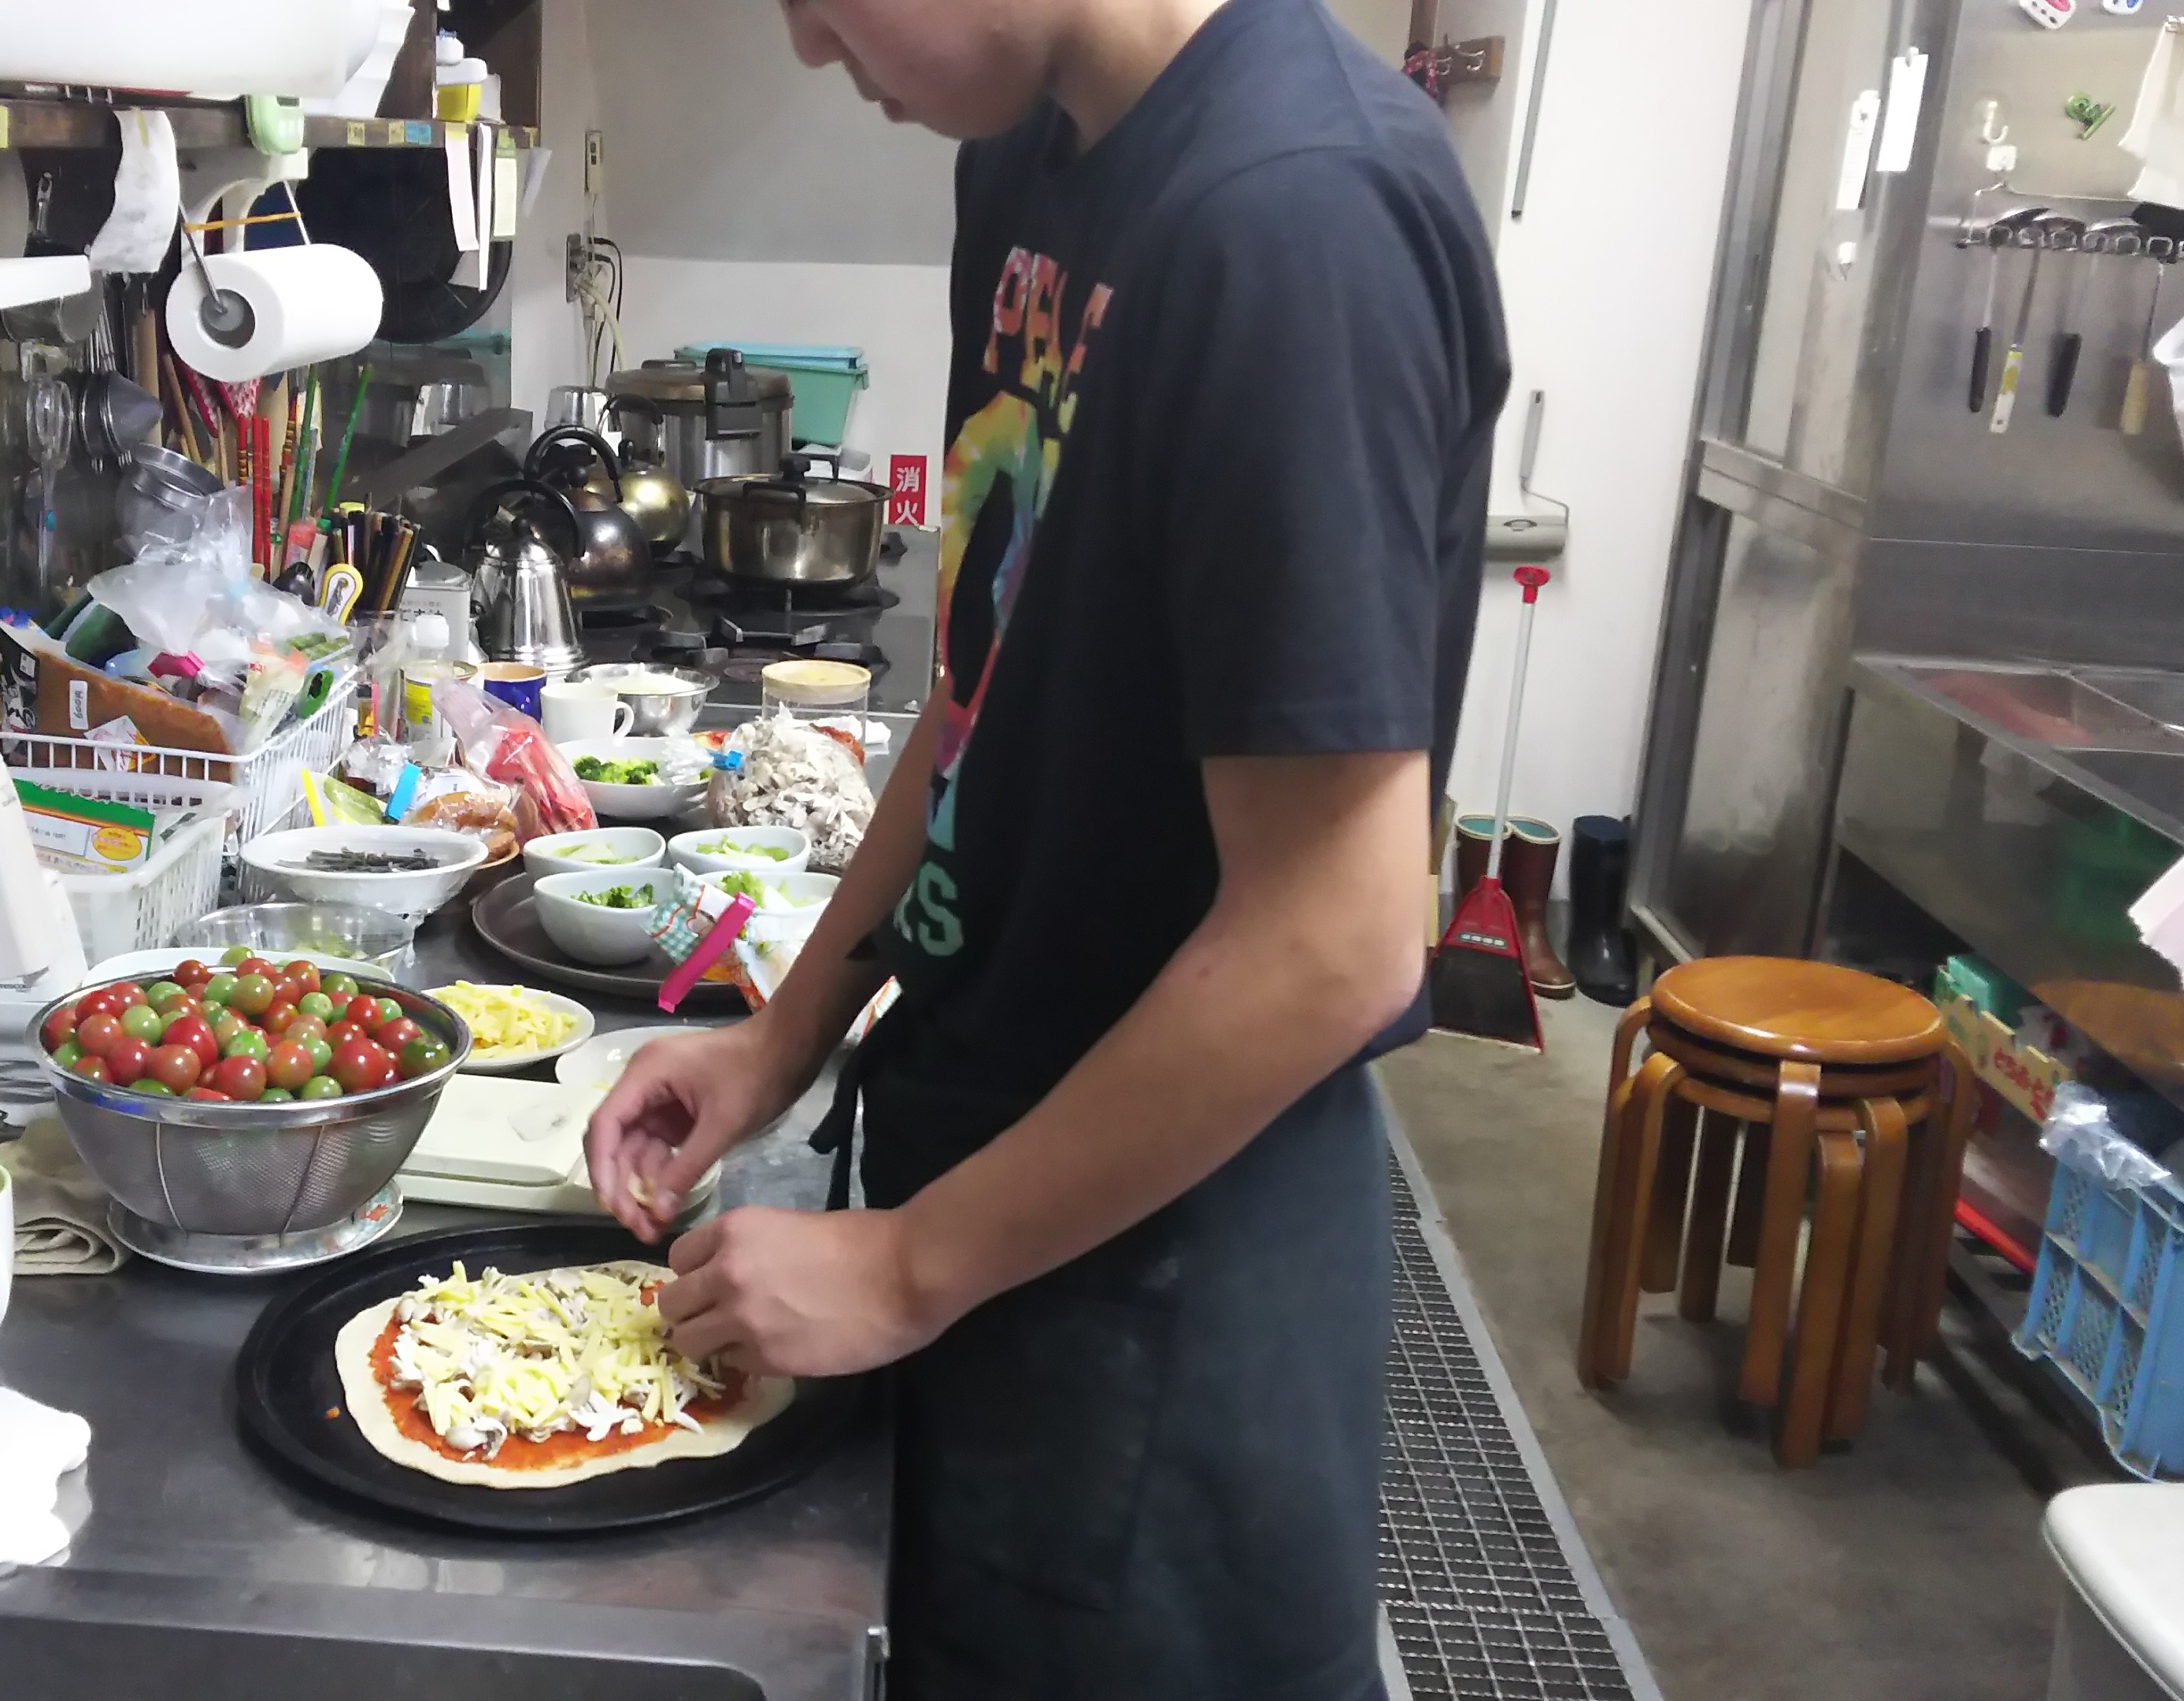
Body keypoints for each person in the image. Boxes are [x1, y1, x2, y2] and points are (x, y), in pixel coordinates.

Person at [583, 0, 1509, 1693]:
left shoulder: (1294, 214)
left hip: (1161, 1276)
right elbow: (980, 680)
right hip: (983, 1199)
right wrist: (783, 1039)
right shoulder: (1026, 164)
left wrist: (907, 1266)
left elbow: (1334, 939)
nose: (808, 47)